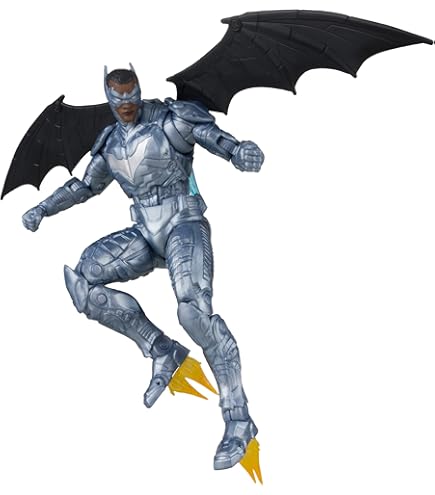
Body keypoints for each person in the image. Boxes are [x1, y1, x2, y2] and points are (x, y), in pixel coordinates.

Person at [22, 66, 264, 470]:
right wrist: (43, 208)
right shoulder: (110, 143)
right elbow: (85, 186)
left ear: (139, 91)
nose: (127, 106)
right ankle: (162, 349)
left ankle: (239, 419)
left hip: (184, 224)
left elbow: (212, 136)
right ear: (109, 98)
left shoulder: (172, 119)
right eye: (119, 100)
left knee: (194, 313)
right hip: (145, 233)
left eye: (131, 97)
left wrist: (238, 152)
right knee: (84, 280)